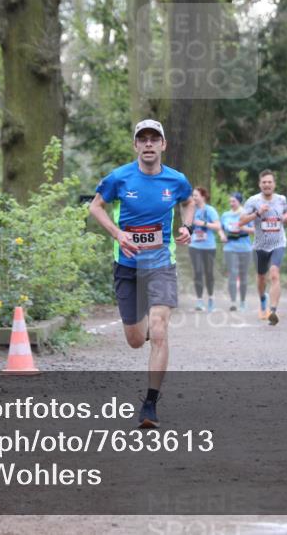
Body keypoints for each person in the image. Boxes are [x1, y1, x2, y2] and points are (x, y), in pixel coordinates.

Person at [89, 119, 195, 428]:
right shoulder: (119, 178)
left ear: (163, 145)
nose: (149, 144)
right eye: (143, 139)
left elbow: (188, 201)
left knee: (160, 330)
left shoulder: (176, 180)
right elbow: (96, 207)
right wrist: (118, 234)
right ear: (136, 145)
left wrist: (187, 226)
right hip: (127, 265)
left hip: (161, 264)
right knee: (136, 340)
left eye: (154, 139)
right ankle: (143, 326)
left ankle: (150, 404)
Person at [240, 170, 287, 325]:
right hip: (260, 246)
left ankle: (273, 311)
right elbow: (241, 221)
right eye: (264, 182)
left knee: (274, 274)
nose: (267, 185)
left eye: (270, 182)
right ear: (260, 184)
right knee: (261, 278)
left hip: (278, 243)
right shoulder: (253, 201)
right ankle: (263, 299)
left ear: (274, 184)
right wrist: (257, 213)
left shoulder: (281, 199)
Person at [189, 187, 224, 313]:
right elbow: (187, 226)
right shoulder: (191, 210)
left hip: (209, 246)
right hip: (194, 246)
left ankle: (211, 299)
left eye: (196, 195)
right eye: (193, 195)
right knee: (197, 272)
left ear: (203, 197)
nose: (193, 197)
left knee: (209, 273)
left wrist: (203, 223)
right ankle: (199, 301)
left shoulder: (210, 210)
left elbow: (218, 226)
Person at [221, 192, 254, 312]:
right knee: (232, 274)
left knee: (243, 275)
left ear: (239, 201)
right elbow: (221, 228)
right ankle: (233, 302)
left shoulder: (246, 214)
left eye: (233, 201)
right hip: (230, 247)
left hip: (245, 248)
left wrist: (242, 227)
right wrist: (222, 235)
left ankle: (243, 302)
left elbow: (254, 230)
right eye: (230, 201)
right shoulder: (225, 215)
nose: (231, 203)